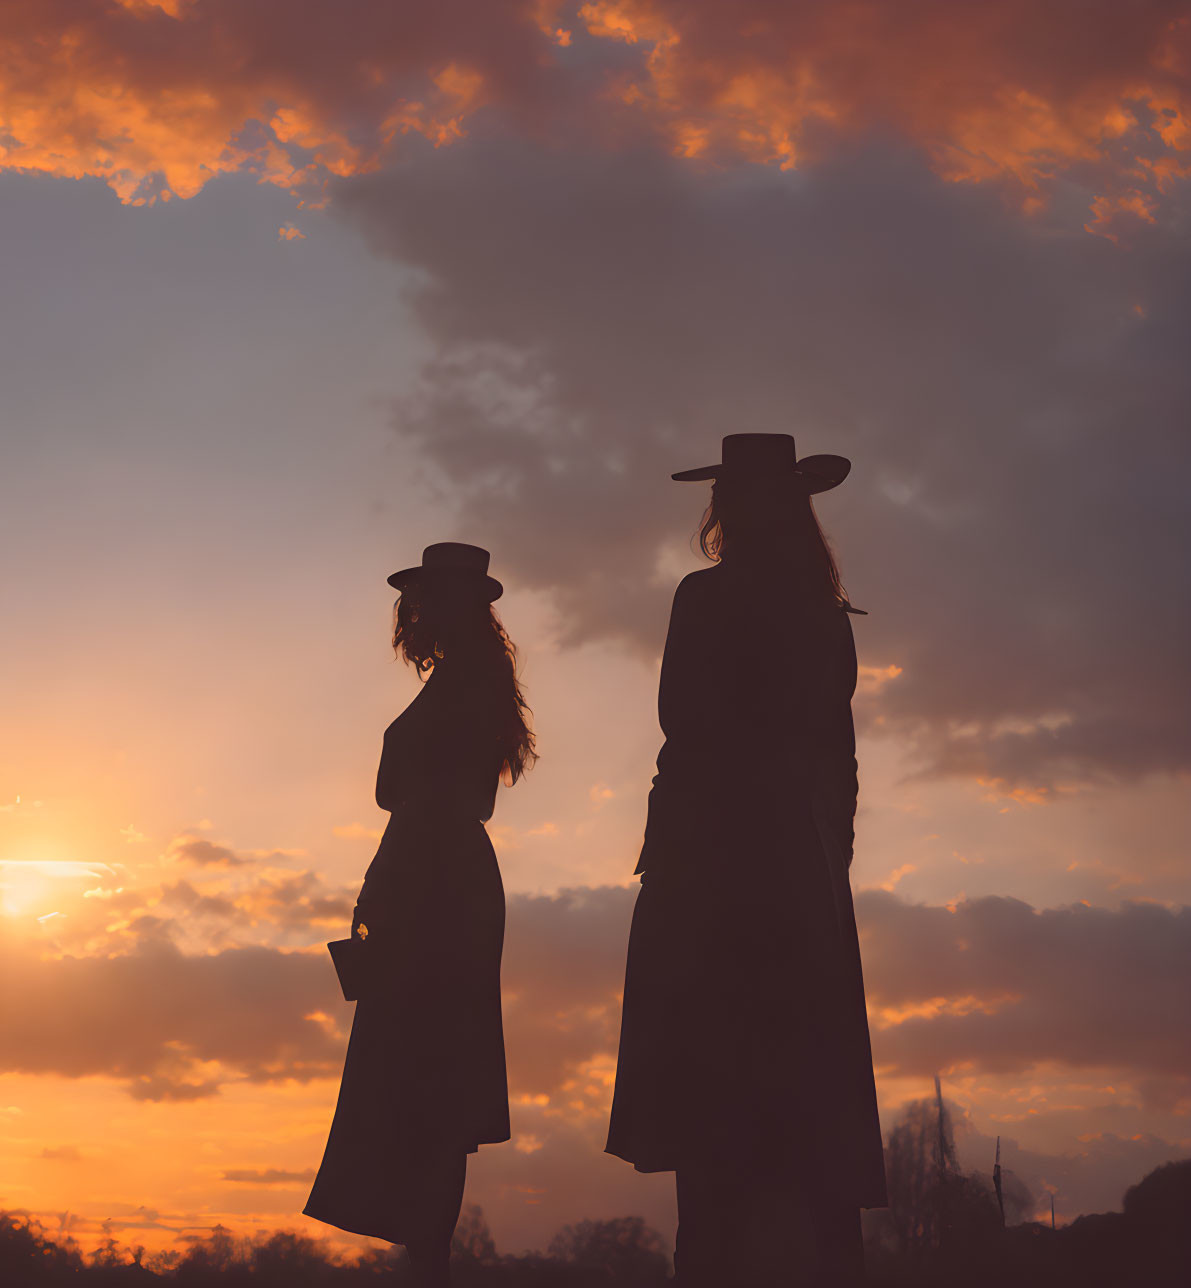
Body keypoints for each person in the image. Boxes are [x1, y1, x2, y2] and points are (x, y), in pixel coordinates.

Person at [605, 435, 887, 1286]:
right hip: (799, 871)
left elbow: (680, 727)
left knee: (713, 1099)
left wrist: (670, 857)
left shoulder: (705, 597)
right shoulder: (822, 612)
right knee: (800, 1093)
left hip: (713, 864)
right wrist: (823, 865)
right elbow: (838, 765)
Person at [305, 542, 536, 1286]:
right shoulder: (472, 682)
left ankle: (426, 1265)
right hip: (444, 877)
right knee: (431, 1075)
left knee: (425, 1073)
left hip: (432, 881)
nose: (412, 613)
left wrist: (384, 884)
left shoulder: (461, 685)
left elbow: (417, 796)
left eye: (424, 599)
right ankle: (425, 1261)